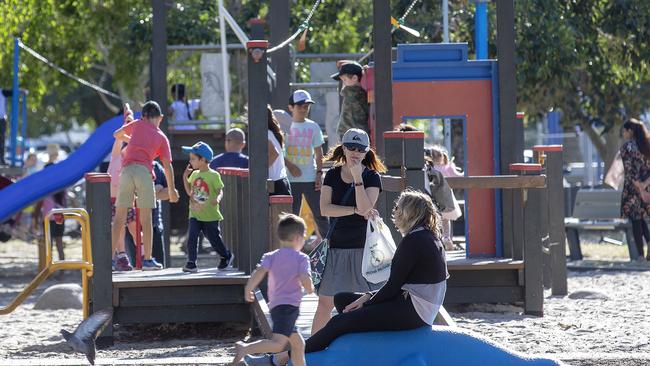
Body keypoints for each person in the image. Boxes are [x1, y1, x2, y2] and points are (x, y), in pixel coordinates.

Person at [249, 190, 448, 366]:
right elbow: (396, 287)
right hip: (412, 304)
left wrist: (365, 303)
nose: (394, 214)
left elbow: (392, 287)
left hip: (414, 311)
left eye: (398, 209)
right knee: (343, 298)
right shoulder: (428, 237)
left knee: (340, 321)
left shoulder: (414, 242)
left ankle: (279, 359)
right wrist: (365, 298)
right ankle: (354, 348)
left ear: (408, 213)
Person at [313, 128, 386, 335]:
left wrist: (357, 179)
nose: (355, 152)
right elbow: (325, 209)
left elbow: (366, 209)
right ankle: (311, 351)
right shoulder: (333, 174)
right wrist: (354, 210)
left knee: (367, 300)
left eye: (360, 149)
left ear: (366, 152)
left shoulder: (372, 177)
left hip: (364, 248)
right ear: (343, 148)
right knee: (325, 303)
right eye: (351, 147)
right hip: (336, 246)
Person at [232, 213, 313, 366]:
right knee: (278, 344)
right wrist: (310, 288)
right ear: (297, 237)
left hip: (276, 306)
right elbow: (304, 278)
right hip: (288, 307)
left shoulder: (271, 256)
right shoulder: (301, 258)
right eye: (304, 237)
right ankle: (245, 348)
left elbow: (259, 272)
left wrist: (249, 287)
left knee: (298, 344)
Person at [112, 101, 179, 270]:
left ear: (143, 116)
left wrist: (133, 141)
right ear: (161, 118)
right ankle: (148, 258)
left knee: (119, 218)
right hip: (144, 173)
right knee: (146, 217)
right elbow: (167, 165)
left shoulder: (138, 124)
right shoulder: (161, 137)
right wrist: (171, 190)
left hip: (126, 172)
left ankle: (108, 258)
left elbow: (117, 134)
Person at [181, 141, 234, 272]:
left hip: (210, 215)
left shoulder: (214, 175)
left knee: (214, 239)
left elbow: (219, 190)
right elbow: (189, 192)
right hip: (194, 213)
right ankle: (191, 262)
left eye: (193, 159)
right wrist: (184, 176)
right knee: (192, 237)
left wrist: (218, 198)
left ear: (203, 159)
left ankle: (226, 256)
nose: (190, 161)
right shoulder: (193, 174)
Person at [284, 90, 328, 238]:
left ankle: (329, 248)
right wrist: (290, 166)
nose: (303, 109)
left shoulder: (313, 126)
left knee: (321, 215)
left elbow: (319, 152)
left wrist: (319, 174)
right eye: (300, 106)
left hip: (310, 178)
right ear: (291, 107)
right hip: (290, 179)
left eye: (306, 106)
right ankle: (292, 249)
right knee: (291, 217)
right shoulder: (284, 126)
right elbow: (277, 152)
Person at [108, 106, 137, 271]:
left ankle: (142, 253)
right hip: (114, 198)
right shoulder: (117, 154)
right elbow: (119, 137)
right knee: (119, 228)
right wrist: (127, 122)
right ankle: (121, 255)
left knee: (133, 227)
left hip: (127, 198)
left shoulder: (133, 156)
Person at [125, 160, 169, 267]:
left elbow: (170, 193)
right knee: (136, 266)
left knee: (159, 265)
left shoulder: (156, 167)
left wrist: (147, 193)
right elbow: (130, 195)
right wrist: (156, 190)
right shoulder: (129, 167)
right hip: (133, 228)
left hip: (154, 225)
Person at [620, 118, 650, 261]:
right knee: (642, 218)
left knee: (636, 219)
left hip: (633, 189)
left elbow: (629, 170)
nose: (623, 134)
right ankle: (649, 243)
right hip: (648, 188)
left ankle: (640, 255)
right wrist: (645, 184)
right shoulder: (647, 145)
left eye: (624, 131)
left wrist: (638, 185)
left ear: (630, 131)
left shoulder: (628, 147)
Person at [42, 144, 66, 261]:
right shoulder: (61, 173)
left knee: (50, 244)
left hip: (50, 214)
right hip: (59, 213)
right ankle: (61, 270)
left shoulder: (46, 189)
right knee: (58, 243)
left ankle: (50, 269)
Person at [332, 61, 369, 138]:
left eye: (344, 80)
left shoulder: (351, 91)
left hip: (350, 133)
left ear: (355, 78)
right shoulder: (362, 92)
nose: (343, 83)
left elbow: (342, 91)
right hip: (357, 132)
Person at [267, 106, 291, 196]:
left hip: (275, 184)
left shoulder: (266, 134)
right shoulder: (272, 132)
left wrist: (261, 171)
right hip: (281, 182)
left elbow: (274, 154)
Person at [0, 88, 13, 165]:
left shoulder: (2, 92)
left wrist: (22, 91)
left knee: (2, 140)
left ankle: (1, 159)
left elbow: (14, 92)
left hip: (1, 119)